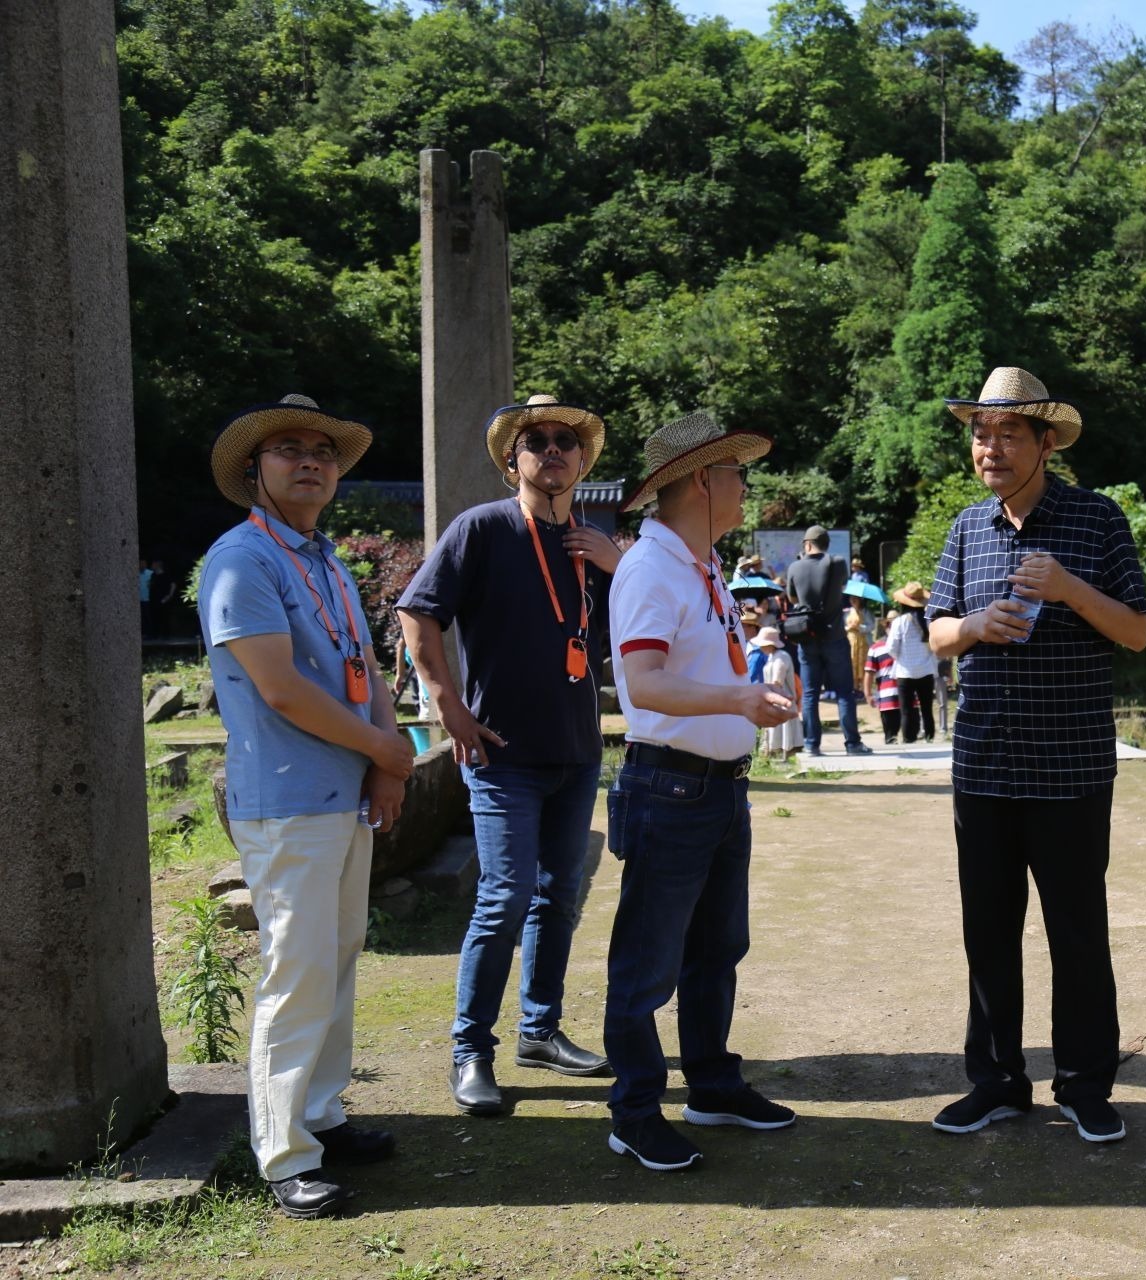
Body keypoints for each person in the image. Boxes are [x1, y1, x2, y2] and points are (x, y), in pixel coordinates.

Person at [197, 393, 415, 1218]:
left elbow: (368, 672)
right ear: (255, 470)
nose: (311, 460)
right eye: (289, 448)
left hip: (346, 792)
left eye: (323, 449)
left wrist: (390, 761)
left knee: (340, 955)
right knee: (296, 972)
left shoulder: (323, 560)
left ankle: (322, 1115)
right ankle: (285, 1153)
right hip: (286, 801)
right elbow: (282, 690)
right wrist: (382, 752)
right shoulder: (241, 561)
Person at [926, 366, 1146, 1144]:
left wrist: (1068, 590)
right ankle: (994, 1082)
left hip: (1071, 766)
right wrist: (978, 625)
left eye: (1008, 433)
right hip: (983, 763)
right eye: (980, 433)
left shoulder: (1096, 520)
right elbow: (935, 633)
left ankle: (1085, 1085)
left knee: (1077, 932)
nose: (989, 447)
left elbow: (1137, 631)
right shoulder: (966, 527)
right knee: (987, 931)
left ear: (1045, 442)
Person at [398, 394, 620, 1117]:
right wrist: (448, 704)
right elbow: (417, 610)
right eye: (536, 442)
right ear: (511, 462)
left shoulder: (592, 545)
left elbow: (628, 637)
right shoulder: (483, 529)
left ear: (583, 462)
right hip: (502, 752)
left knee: (560, 896)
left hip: (576, 748)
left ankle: (541, 1030)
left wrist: (617, 567)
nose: (552, 450)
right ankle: (471, 1051)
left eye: (565, 442)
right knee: (504, 896)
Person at [604, 410, 800, 1172]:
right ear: (699, 481)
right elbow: (642, 687)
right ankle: (634, 1111)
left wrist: (740, 701)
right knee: (648, 962)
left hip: (716, 790)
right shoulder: (651, 568)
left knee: (716, 950)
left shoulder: (700, 562)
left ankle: (712, 1086)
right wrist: (738, 702)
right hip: (672, 788)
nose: (744, 487)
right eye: (735, 474)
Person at [785, 525, 873, 757]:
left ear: (807, 544)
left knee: (811, 692)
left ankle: (812, 744)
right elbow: (843, 587)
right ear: (826, 544)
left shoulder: (795, 566)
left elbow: (792, 597)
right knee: (844, 692)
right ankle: (853, 744)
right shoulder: (838, 563)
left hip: (808, 637)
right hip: (834, 635)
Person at [887, 582, 938, 744]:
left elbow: (891, 648)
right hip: (926, 670)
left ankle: (909, 738)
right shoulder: (928, 622)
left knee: (906, 710)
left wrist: (900, 657)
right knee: (927, 708)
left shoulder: (899, 622)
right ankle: (929, 736)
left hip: (905, 671)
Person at [754, 627, 803, 758]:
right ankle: (775, 753)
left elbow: (777, 680)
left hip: (781, 698)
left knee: (783, 728)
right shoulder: (771, 657)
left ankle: (784, 754)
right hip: (773, 697)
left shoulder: (782, 657)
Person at [866, 618, 901, 744]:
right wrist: (868, 693)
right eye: (889, 625)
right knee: (890, 733)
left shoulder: (906, 644)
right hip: (886, 696)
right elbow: (869, 672)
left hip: (905, 694)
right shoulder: (876, 648)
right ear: (886, 626)